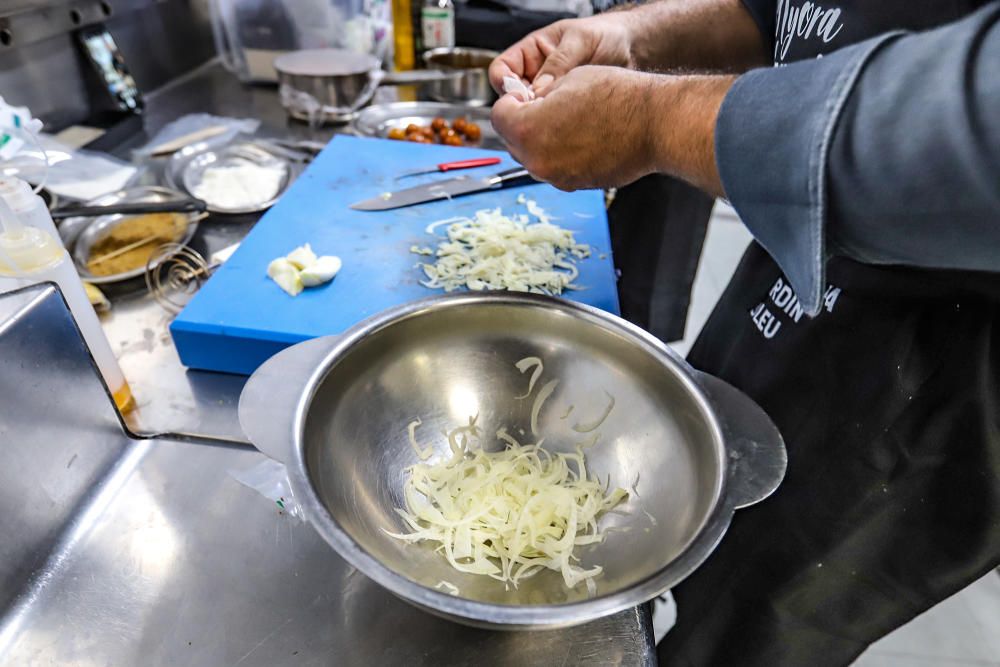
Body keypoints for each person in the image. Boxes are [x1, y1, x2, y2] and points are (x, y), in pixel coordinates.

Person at [488, 1, 1000, 665]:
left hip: (934, 371)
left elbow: (976, 129)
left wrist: (654, 119)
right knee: (675, 544)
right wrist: (638, 38)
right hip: (792, 268)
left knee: (737, 623)